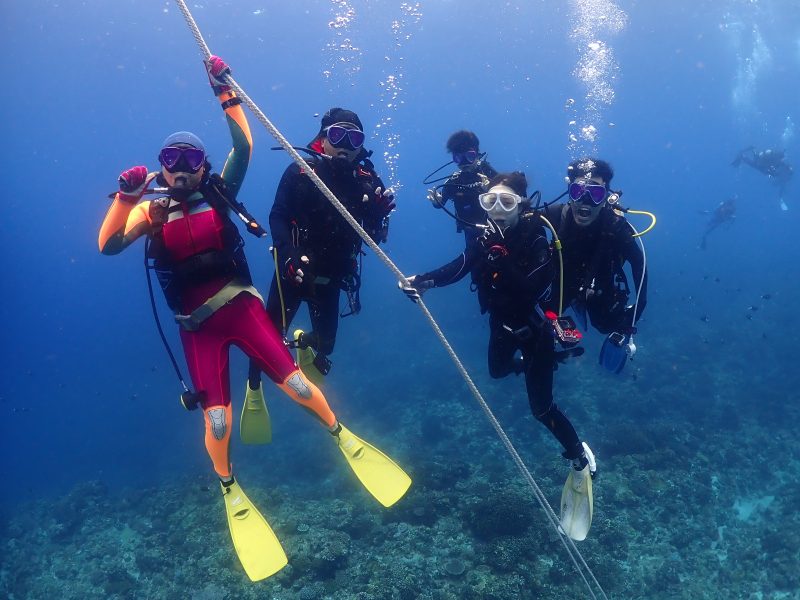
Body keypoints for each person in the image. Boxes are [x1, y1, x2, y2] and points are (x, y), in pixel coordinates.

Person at [98, 59, 409, 581]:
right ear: (160, 167)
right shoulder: (148, 214)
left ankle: (341, 434)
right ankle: (229, 487)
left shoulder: (220, 193)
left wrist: (225, 92)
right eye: (170, 160)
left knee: (296, 382)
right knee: (217, 419)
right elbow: (108, 247)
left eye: (191, 158)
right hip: (195, 325)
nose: (180, 169)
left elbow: (242, 147)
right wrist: (128, 198)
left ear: (203, 166)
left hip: (240, 307)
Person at [401, 171, 596, 541]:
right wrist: (422, 280)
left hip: (535, 331)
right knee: (496, 371)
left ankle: (578, 457)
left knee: (541, 409)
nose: (496, 210)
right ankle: (537, 365)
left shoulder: (538, 239)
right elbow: (459, 266)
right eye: (489, 202)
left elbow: (528, 291)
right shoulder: (485, 236)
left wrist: (499, 255)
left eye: (506, 203)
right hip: (501, 326)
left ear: (522, 206)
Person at [246, 107, 395, 391]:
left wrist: (377, 217)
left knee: (327, 345)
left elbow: (375, 239)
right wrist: (287, 253)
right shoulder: (302, 171)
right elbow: (277, 215)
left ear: (362, 144)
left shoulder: (368, 181)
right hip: (293, 273)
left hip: (332, 278)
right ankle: (253, 388)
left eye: (354, 139)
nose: (345, 146)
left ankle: (304, 342)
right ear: (323, 138)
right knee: (267, 342)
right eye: (338, 136)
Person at [541, 158, 647, 374]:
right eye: (578, 191)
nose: (586, 201)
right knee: (542, 318)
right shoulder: (555, 215)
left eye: (596, 194)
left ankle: (616, 332)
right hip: (563, 285)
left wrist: (637, 310)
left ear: (606, 196)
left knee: (606, 325)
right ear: (569, 191)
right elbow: (520, 222)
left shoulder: (616, 227)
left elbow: (639, 263)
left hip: (600, 288)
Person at [427, 130, 498, 250]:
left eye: (469, 156)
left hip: (498, 228)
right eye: (458, 158)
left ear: (477, 154)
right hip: (471, 233)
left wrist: (492, 190)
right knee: (476, 266)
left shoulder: (489, 173)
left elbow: (511, 196)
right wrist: (436, 201)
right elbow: (441, 203)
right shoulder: (454, 181)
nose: (464, 163)